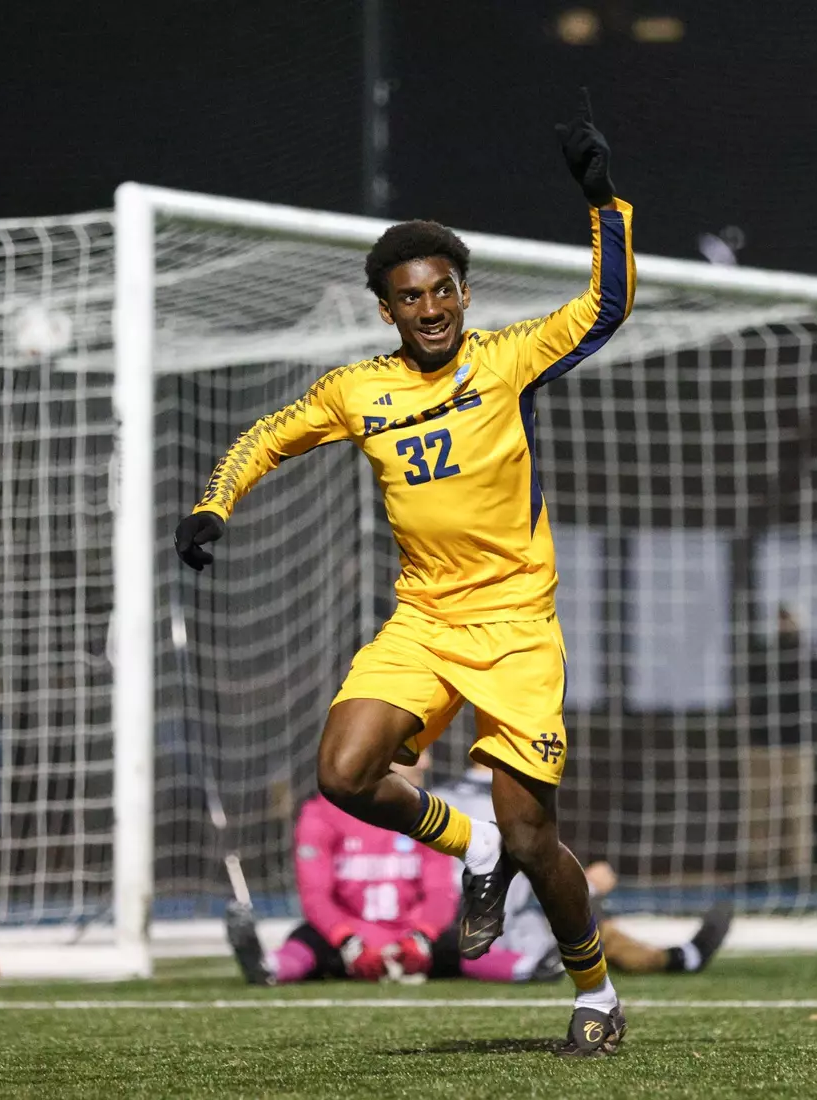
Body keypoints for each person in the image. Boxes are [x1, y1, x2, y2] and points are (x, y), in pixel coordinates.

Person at [174, 89, 634, 1055]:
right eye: (409, 297)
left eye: (442, 291)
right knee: (343, 774)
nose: (428, 308)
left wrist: (602, 204)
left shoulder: (509, 361)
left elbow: (606, 306)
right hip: (424, 621)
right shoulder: (359, 389)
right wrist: (216, 503)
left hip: (514, 625)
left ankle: (595, 993)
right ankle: (471, 854)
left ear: (466, 294)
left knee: (537, 841)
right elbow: (264, 436)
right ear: (387, 309)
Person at [225, 756, 560, 986]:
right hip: (347, 941)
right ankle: (268, 968)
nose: (426, 762)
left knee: (461, 940)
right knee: (305, 941)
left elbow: (439, 891)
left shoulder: (429, 812)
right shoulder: (320, 815)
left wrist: (422, 936)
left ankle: (529, 966)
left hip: (413, 941)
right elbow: (315, 896)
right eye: (416, 753)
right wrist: (349, 941)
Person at [436, 763, 734, 974]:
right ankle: (679, 959)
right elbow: (494, 888)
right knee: (576, 906)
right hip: (495, 938)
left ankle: (677, 957)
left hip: (449, 928)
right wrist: (587, 885)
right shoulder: (511, 803)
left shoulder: (437, 798)